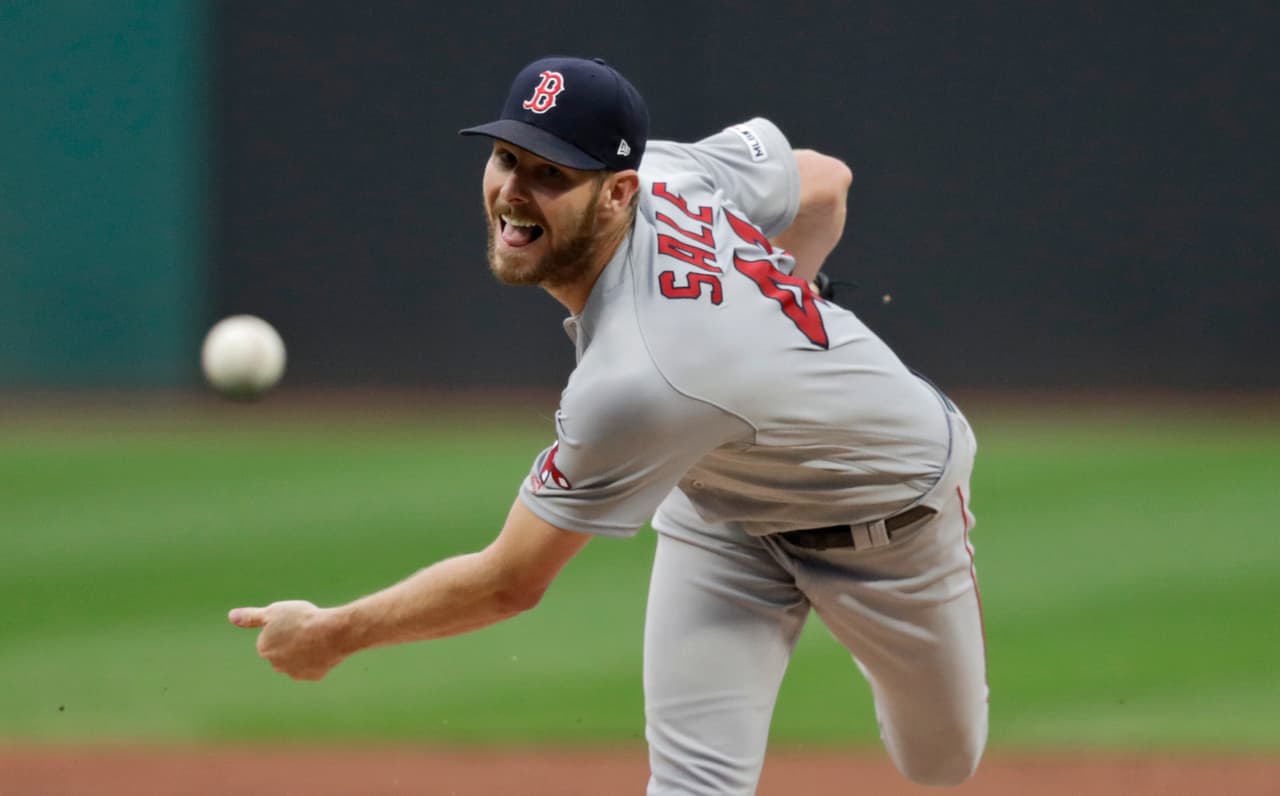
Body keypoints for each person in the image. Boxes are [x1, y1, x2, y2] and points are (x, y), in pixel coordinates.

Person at [229, 55, 988, 794]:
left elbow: (509, 583)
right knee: (693, 783)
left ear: (620, 191)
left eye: (550, 173)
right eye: (505, 157)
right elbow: (824, 180)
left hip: (890, 516)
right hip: (722, 505)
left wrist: (334, 634)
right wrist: (777, 302)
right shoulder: (667, 174)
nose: (513, 191)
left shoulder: (641, 378)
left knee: (939, 764)